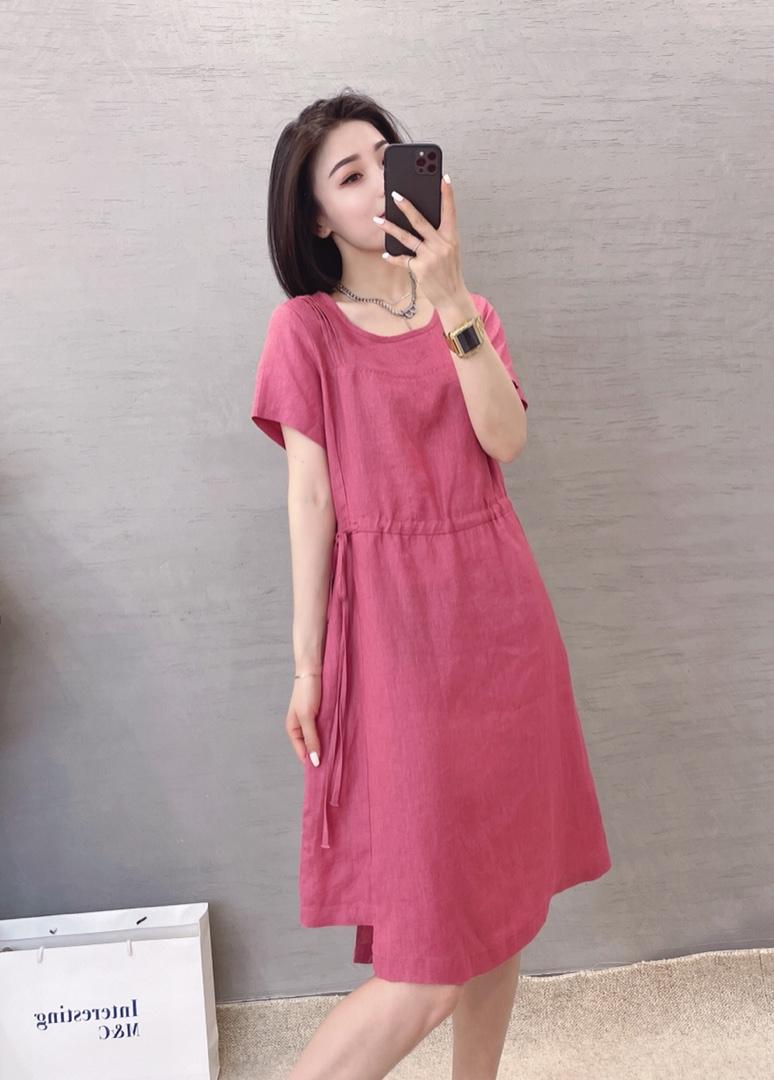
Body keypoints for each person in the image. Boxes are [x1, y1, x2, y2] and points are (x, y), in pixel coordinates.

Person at [250, 88, 612, 1080]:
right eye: (349, 175)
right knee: (429, 959)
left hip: (501, 625)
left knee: (499, 904)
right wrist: (306, 667)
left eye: (386, 159)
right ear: (317, 218)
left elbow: (506, 439)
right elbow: (311, 500)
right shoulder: (305, 332)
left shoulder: (473, 312)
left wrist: (450, 298)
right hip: (392, 639)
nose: (377, 184)